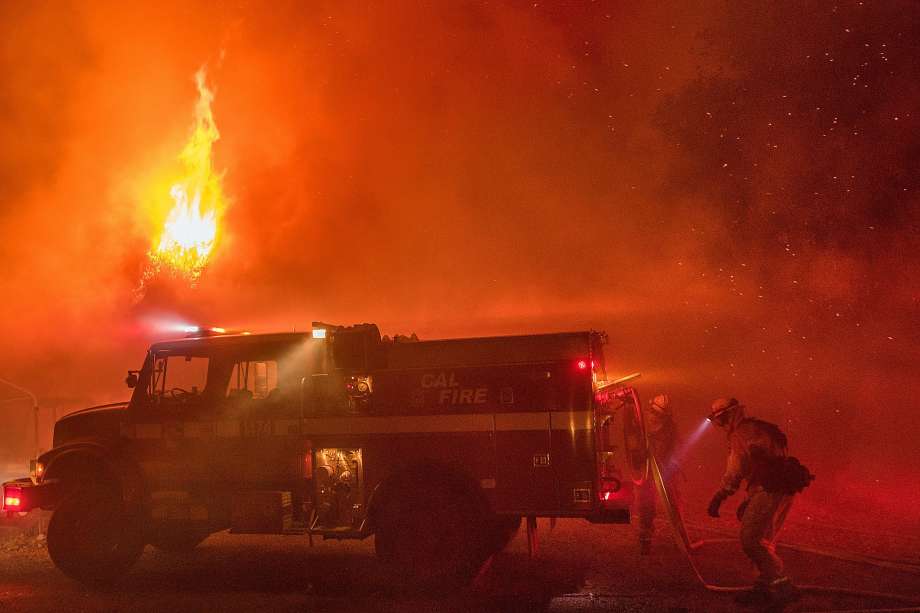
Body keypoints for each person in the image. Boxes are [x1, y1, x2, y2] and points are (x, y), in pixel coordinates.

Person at [706, 397, 813, 606]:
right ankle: (765, 588)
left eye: (721, 419)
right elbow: (765, 463)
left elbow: (736, 470)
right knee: (764, 541)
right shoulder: (759, 428)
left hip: (769, 489)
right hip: (782, 488)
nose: (720, 424)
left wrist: (720, 495)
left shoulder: (740, 434)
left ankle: (782, 586)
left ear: (729, 415)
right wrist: (751, 499)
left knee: (750, 541)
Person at [637, 393, 680, 555]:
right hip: (648, 471)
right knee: (646, 504)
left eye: (657, 414)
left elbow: (672, 448)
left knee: (672, 503)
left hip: (665, 469)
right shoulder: (643, 424)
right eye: (654, 413)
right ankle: (645, 539)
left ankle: (679, 537)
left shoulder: (669, 429)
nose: (653, 417)